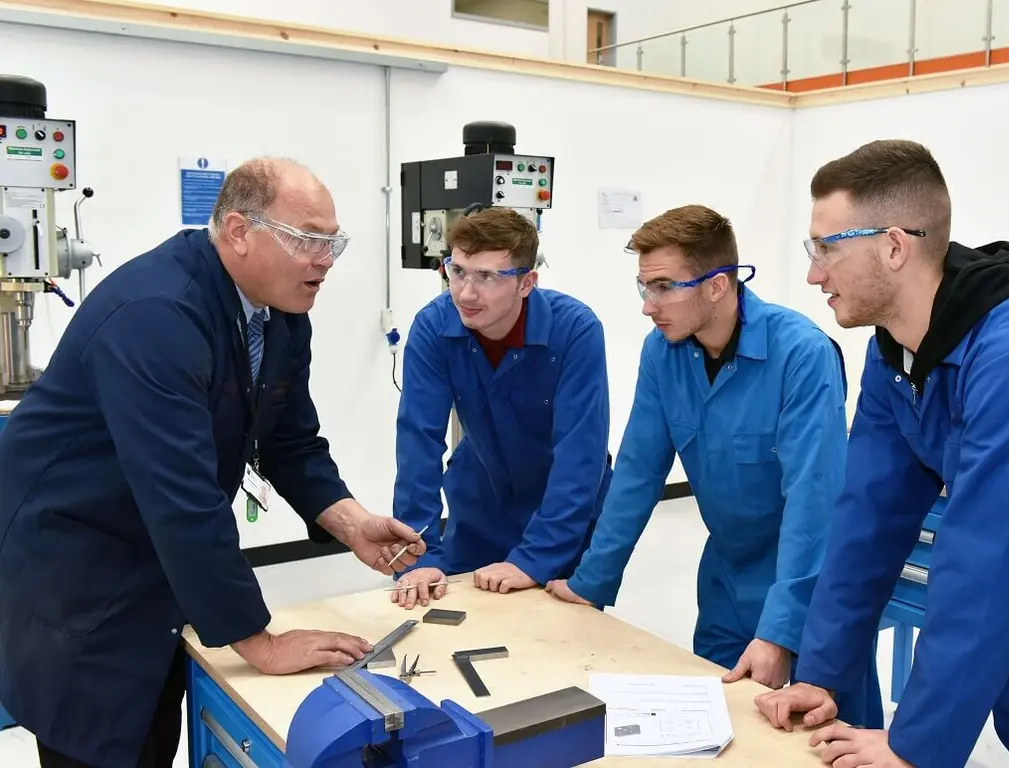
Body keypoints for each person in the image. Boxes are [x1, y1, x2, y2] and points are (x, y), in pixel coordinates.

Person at [0, 157, 428, 768]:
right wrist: (259, 641)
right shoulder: (156, 314)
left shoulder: (278, 313)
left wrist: (352, 523)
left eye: (333, 242)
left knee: (151, 723)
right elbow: (182, 496)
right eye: (308, 239)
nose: (325, 259)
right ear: (238, 231)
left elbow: (289, 440)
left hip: (158, 553)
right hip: (80, 560)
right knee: (97, 735)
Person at [757, 139, 1009, 768]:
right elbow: (868, 519)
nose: (813, 274)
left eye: (826, 249)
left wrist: (915, 747)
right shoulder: (896, 350)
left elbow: (988, 557)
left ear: (893, 247)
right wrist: (821, 674)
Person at [545, 204, 883, 729]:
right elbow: (637, 473)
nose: (648, 306)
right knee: (720, 730)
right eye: (644, 287)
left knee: (835, 740)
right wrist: (591, 582)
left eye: (663, 287)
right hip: (728, 576)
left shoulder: (801, 354)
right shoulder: (662, 353)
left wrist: (781, 632)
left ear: (717, 286)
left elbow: (813, 502)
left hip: (816, 582)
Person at [390, 206, 613, 609]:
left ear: (527, 283)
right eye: (457, 271)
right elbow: (418, 442)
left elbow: (580, 453)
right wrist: (419, 556)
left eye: (488, 277)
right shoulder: (434, 326)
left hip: (565, 510)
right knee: (461, 620)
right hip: (480, 504)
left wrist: (536, 558)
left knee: (560, 633)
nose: (465, 293)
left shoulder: (575, 330)